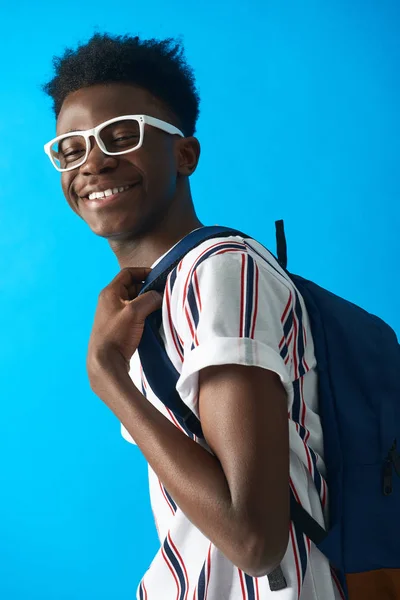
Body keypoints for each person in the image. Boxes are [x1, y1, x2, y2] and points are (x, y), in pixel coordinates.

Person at [42, 33, 344, 599]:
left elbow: (254, 540)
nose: (94, 162)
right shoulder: (166, 290)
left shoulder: (220, 270)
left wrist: (108, 379)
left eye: (122, 134)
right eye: (70, 148)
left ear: (185, 154)